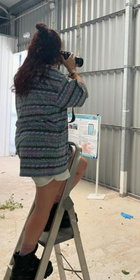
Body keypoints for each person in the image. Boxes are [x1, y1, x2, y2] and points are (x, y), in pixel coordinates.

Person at [10, 22, 88, 280]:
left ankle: (56, 206)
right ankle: (24, 261)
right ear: (55, 54)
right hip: (47, 151)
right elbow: (81, 94)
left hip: (28, 147)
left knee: (81, 165)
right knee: (43, 206)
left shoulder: (23, 78)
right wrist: (73, 70)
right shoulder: (55, 80)